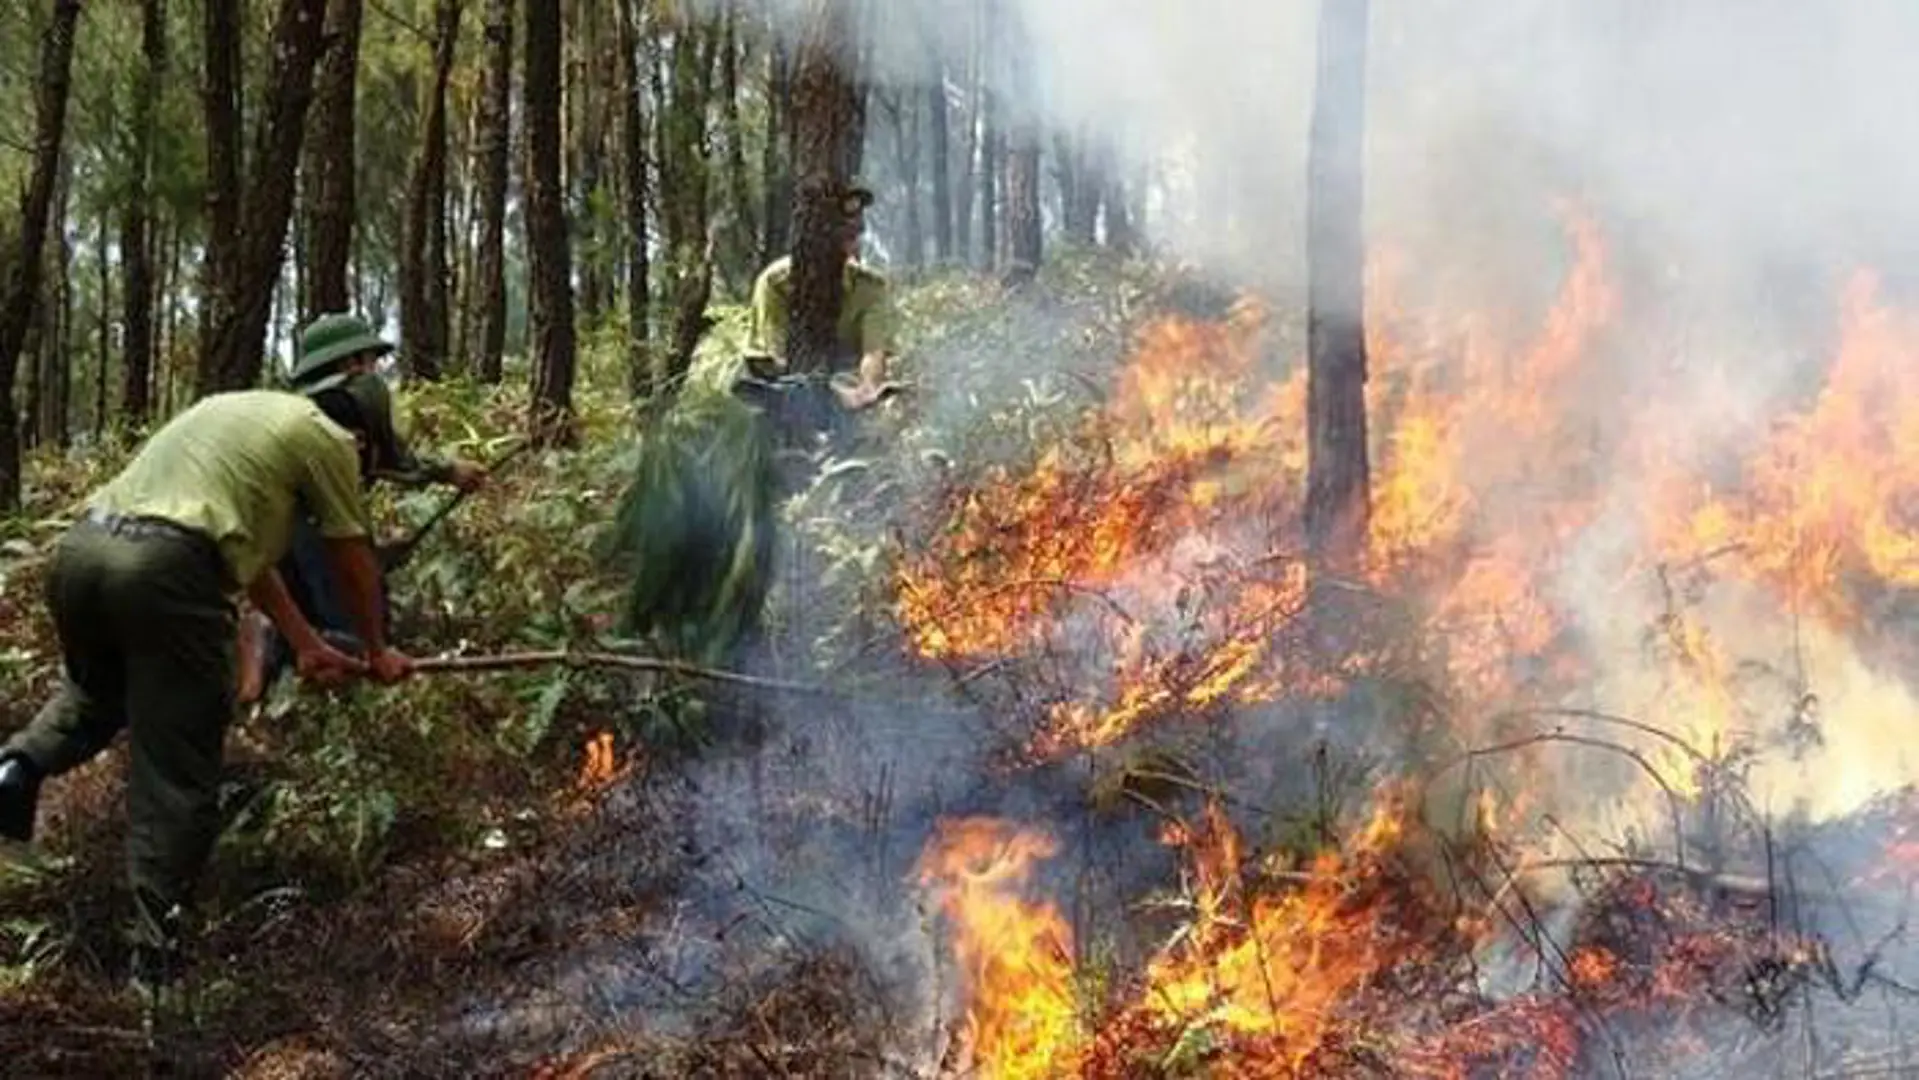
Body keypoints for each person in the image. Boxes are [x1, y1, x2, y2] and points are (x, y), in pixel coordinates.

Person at [0, 379, 415, 1013]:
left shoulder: (238, 415)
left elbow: (255, 568)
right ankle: (155, 964)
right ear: (362, 438)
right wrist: (378, 647)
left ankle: (16, 766)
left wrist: (304, 644)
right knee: (176, 768)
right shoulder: (329, 441)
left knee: (94, 696)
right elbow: (355, 558)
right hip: (167, 573)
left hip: (83, 553)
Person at [235, 312, 488, 704]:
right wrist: (449, 470)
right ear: (349, 363)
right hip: (315, 527)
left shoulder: (291, 408)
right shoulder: (347, 400)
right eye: (370, 359)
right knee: (348, 629)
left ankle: (271, 701)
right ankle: (345, 715)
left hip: (266, 533)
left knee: (300, 622)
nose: (375, 370)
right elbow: (389, 459)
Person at [743, 180, 905, 412]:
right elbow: (775, 356)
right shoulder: (776, 283)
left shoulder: (869, 288)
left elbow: (873, 352)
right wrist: (818, 390)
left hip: (840, 393)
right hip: (775, 392)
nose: (852, 236)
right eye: (842, 232)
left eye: (854, 231)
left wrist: (867, 389)